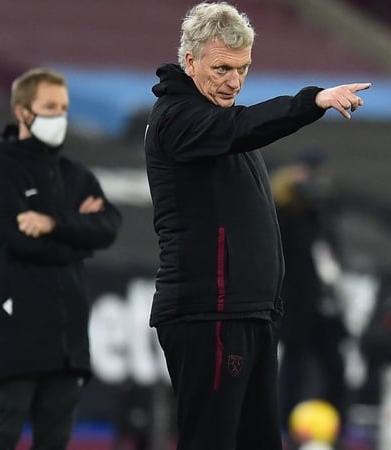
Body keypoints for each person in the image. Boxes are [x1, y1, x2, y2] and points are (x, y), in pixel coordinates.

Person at [142, 3, 370, 449]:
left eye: (243, 68)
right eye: (222, 67)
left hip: (249, 312)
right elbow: (243, 126)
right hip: (210, 312)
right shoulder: (177, 118)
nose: (233, 80)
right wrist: (312, 101)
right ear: (189, 61)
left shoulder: (215, 118)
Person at [0, 68, 122, 450]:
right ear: (22, 111)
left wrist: (53, 223)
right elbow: (19, 239)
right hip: (16, 332)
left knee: (55, 440)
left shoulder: (74, 174)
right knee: (3, 436)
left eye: (64, 108)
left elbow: (108, 225)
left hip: (67, 340)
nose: (60, 117)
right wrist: (78, 236)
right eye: (50, 107)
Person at [270, 149, 348, 436]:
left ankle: (336, 428)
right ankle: (285, 428)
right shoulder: (285, 214)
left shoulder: (322, 214)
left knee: (334, 367)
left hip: (326, 307)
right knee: (294, 368)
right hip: (297, 307)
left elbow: (330, 254)